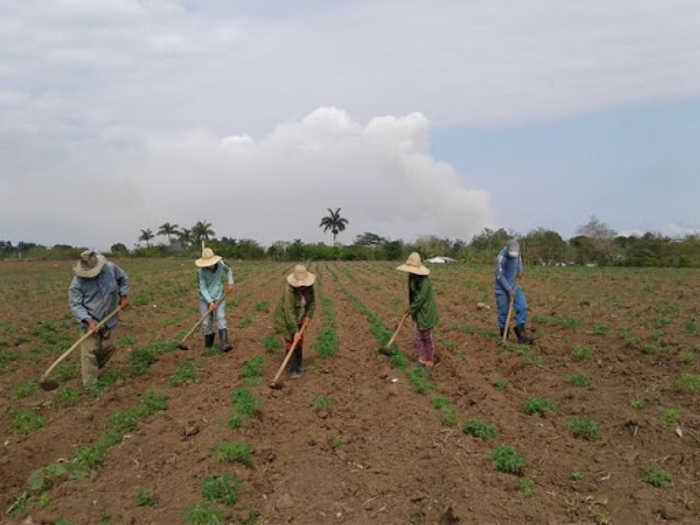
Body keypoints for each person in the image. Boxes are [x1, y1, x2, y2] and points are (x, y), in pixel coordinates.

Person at [68, 250, 129, 386]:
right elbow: (75, 305)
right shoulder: (77, 283)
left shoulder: (111, 269)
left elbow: (123, 279)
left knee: (109, 348)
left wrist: (123, 296)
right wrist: (89, 321)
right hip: (90, 321)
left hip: (110, 318)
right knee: (89, 353)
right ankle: (90, 386)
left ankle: (95, 369)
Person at [396, 252, 439, 369]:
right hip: (417, 312)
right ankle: (422, 358)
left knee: (426, 337)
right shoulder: (411, 278)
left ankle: (429, 361)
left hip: (425, 312)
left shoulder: (425, 281)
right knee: (418, 336)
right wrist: (412, 310)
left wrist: (410, 309)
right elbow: (413, 296)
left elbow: (420, 299)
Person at [273, 264, 315, 378]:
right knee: (291, 340)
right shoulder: (289, 290)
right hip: (286, 318)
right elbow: (289, 312)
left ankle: (298, 365)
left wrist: (308, 317)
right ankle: (291, 369)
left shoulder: (310, 287)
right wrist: (294, 330)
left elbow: (311, 304)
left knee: (299, 340)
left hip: (300, 316)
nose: (302, 286)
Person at [494, 239, 533, 344]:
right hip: (502, 289)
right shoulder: (500, 258)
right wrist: (509, 290)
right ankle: (504, 336)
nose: (514, 255)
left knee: (522, 306)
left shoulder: (517, 253)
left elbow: (519, 262)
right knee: (504, 313)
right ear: (507, 249)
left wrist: (520, 271)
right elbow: (499, 276)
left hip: (515, 286)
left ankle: (521, 334)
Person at [196, 247, 234, 352]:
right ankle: (209, 342)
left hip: (219, 295)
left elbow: (229, 270)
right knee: (206, 322)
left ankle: (224, 343)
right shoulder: (200, 272)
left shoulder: (222, 264)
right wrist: (210, 302)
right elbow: (202, 288)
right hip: (204, 298)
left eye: (210, 262)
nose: (209, 265)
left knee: (221, 316)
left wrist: (230, 282)